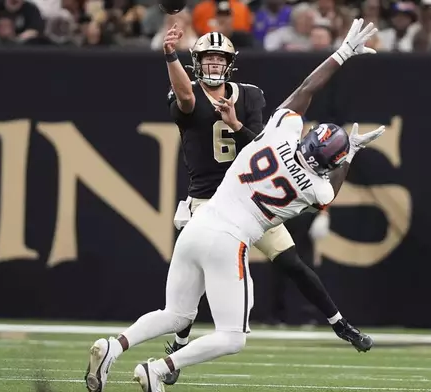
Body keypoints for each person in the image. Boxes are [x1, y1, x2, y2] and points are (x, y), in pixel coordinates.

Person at [84, 18, 381, 392]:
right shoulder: (315, 189)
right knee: (233, 337)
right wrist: (350, 152)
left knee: (175, 314)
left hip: (197, 222)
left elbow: (306, 90)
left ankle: (115, 345)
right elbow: (330, 192)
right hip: (230, 241)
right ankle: (158, 369)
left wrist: (342, 52)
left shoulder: (276, 135)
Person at [160, 26, 373, 386]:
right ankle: (177, 348)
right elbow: (186, 98)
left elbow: (256, 143)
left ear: (230, 64)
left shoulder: (251, 97)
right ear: (196, 63)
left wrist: (236, 123)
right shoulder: (188, 94)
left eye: (219, 58)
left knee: (293, 264)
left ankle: (341, 324)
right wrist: (169, 56)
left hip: (252, 195)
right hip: (210, 201)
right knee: (192, 291)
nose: (213, 63)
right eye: (208, 58)